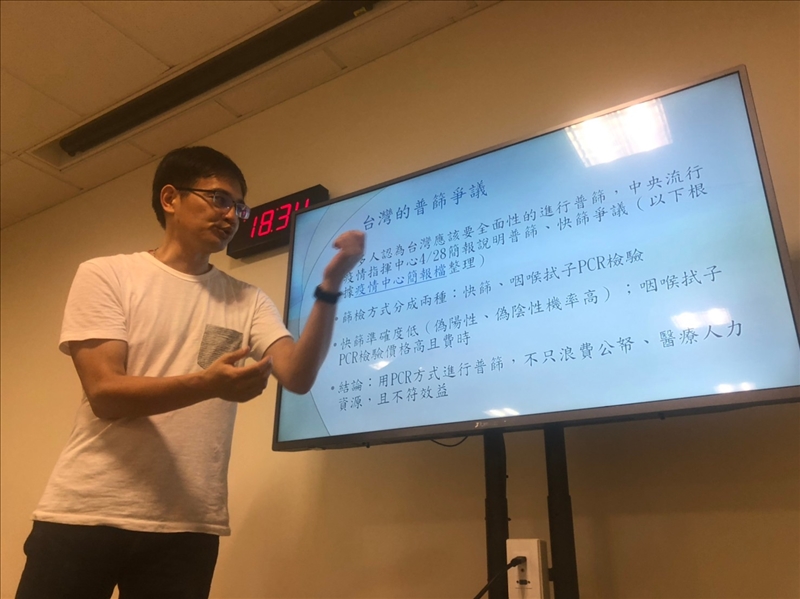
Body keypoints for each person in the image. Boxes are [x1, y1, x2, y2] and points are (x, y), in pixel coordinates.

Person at [16, 146, 365, 599]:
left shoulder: (248, 299)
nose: (232, 216)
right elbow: (105, 393)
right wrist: (207, 385)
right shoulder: (107, 275)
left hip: (188, 524)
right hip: (85, 511)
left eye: (239, 207)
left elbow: (297, 376)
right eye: (219, 199)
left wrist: (330, 286)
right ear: (170, 199)